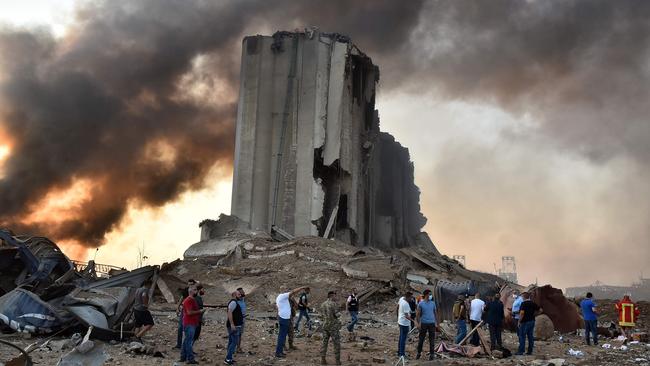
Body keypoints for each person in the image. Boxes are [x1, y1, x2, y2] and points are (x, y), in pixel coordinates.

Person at [275, 286, 308, 358]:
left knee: (288, 333)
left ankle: (283, 350)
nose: (286, 291)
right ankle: (279, 352)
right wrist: (301, 288)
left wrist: (293, 301)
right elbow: (293, 291)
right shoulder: (282, 296)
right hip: (284, 318)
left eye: (287, 289)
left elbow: (296, 306)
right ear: (281, 291)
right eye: (285, 289)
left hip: (288, 318)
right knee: (282, 336)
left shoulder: (286, 298)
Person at [179, 286, 206, 364]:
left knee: (186, 341)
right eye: (195, 290)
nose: (196, 291)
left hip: (192, 323)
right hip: (189, 323)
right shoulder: (188, 300)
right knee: (188, 341)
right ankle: (190, 359)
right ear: (190, 291)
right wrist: (200, 311)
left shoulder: (192, 300)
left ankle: (183, 357)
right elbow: (189, 312)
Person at [415, 289, 438, 360]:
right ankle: (419, 353)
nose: (430, 295)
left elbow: (435, 313)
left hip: (432, 323)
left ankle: (432, 355)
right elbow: (418, 314)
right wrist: (418, 323)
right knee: (421, 339)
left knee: (432, 340)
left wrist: (437, 323)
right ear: (426, 295)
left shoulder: (433, 303)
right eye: (429, 294)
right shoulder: (421, 303)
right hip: (424, 323)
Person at [320, 290, 342, 365]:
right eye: (335, 295)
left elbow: (321, 316)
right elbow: (337, 315)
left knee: (324, 342)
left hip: (325, 325)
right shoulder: (333, 304)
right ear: (331, 296)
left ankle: (323, 359)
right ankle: (337, 361)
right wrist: (340, 314)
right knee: (336, 343)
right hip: (333, 326)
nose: (336, 297)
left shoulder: (323, 304)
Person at [175, 279, 197, 349]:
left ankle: (188, 346)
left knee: (190, 329)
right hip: (184, 310)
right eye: (188, 284)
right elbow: (182, 298)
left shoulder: (195, 291)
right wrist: (177, 307)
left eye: (191, 284)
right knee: (180, 328)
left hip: (191, 312)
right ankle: (179, 344)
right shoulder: (186, 290)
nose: (189, 286)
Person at [225, 290, 244, 365]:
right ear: (234, 295)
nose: (240, 296)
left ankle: (229, 357)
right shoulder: (233, 302)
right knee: (234, 342)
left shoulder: (235, 302)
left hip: (235, 325)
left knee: (231, 341)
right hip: (234, 326)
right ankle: (228, 358)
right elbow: (229, 312)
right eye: (239, 294)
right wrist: (232, 324)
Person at [397, 291, 413, 358]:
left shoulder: (401, 299)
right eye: (411, 297)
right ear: (408, 297)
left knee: (401, 337)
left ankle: (399, 352)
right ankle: (402, 354)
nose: (411, 299)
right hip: (404, 323)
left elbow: (397, 307)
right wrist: (413, 321)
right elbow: (407, 316)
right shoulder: (406, 304)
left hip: (400, 321)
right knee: (403, 339)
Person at [236, 287, 247, 353]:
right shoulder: (235, 302)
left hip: (243, 320)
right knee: (237, 335)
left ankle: (238, 347)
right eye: (242, 292)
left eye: (243, 292)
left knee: (240, 334)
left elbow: (244, 296)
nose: (243, 293)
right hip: (238, 321)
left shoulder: (242, 300)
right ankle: (235, 348)